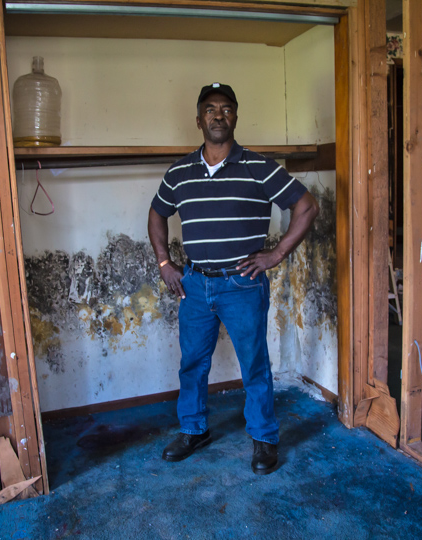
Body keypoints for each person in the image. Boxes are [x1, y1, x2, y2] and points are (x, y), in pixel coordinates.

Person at [147, 83, 319, 475]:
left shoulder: (260, 167)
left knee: (253, 364)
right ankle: (193, 430)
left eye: (226, 109)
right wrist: (164, 263)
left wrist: (276, 254)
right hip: (194, 283)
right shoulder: (179, 173)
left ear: (235, 117)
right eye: (210, 109)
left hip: (242, 284)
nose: (218, 115)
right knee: (192, 363)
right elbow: (157, 213)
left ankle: (263, 438)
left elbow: (307, 206)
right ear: (198, 120)